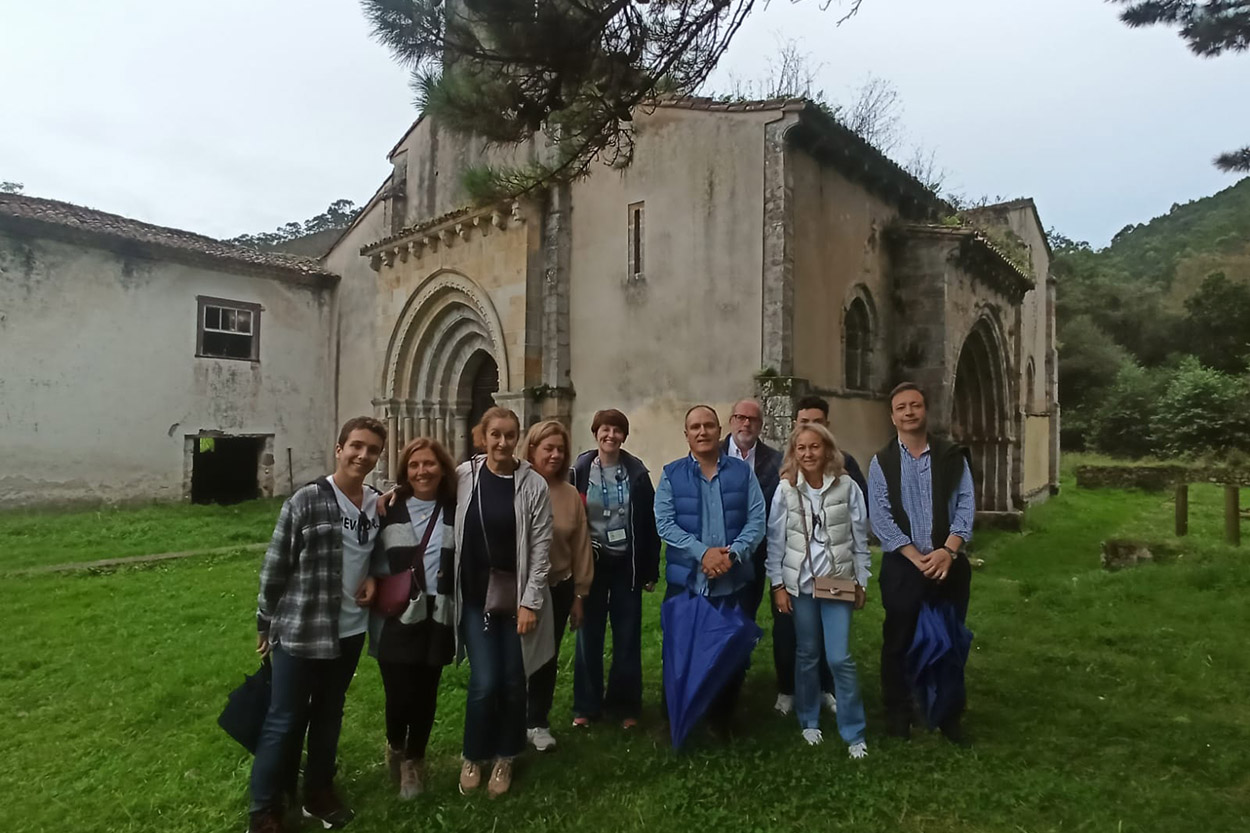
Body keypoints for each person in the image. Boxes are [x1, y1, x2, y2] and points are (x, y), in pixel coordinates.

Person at [247, 416, 386, 833]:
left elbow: (378, 552)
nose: (363, 455)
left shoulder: (377, 503)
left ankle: (318, 793)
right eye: (356, 446)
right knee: (284, 717)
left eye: (373, 450)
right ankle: (265, 809)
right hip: (302, 628)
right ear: (339, 448)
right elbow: (276, 565)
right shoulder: (308, 499)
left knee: (329, 714)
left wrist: (376, 577)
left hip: (350, 630)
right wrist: (264, 620)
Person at [452, 406, 554, 796]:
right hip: (476, 599)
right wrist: (387, 500)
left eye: (509, 435)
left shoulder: (533, 484)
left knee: (513, 681)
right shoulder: (465, 477)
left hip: (516, 600)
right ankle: (473, 755)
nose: (502, 442)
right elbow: (423, 489)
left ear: (518, 438)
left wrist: (530, 603)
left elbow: (541, 547)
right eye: (495, 434)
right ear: (483, 436)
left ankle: (505, 757)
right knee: (484, 682)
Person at [868, 382, 976, 744]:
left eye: (915, 405)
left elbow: (965, 504)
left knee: (949, 638)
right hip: (904, 566)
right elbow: (880, 517)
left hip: (949, 563)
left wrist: (948, 550)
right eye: (901, 407)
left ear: (925, 410)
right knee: (897, 641)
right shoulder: (882, 461)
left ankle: (948, 714)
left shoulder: (951, 456)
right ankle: (899, 712)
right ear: (893, 416)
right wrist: (916, 556)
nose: (909, 412)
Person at [654, 404, 766, 734]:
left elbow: (757, 520)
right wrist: (703, 554)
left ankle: (722, 717)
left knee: (730, 652)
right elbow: (664, 523)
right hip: (688, 580)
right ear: (686, 435)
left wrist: (732, 556)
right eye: (695, 427)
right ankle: (676, 715)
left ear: (720, 431)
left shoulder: (742, 473)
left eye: (708, 426)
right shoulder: (672, 474)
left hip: (732, 580)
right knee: (681, 652)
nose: (702, 432)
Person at [765, 423, 870, 758]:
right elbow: (775, 542)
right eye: (801, 448)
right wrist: (778, 585)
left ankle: (854, 731)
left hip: (838, 582)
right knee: (807, 654)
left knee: (840, 657)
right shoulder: (785, 490)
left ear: (827, 450)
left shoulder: (847, 486)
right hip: (800, 585)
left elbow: (860, 539)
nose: (808, 454)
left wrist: (862, 580)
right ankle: (809, 719)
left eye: (814, 447)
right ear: (794, 454)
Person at [367, 437, 457, 799]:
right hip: (397, 614)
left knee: (426, 693)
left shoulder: (455, 506)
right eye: (415, 465)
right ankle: (394, 742)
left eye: (430, 464)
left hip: (439, 613)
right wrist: (371, 579)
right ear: (405, 471)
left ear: (442, 468)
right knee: (399, 694)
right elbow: (368, 551)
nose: (423, 471)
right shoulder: (388, 508)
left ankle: (413, 761)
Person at [570, 409, 661, 729]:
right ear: (596, 433)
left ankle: (626, 706)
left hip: (626, 566)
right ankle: (586, 704)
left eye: (617, 431)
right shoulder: (580, 470)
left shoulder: (636, 473)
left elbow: (648, 523)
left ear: (624, 436)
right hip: (591, 565)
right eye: (605, 430)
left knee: (627, 637)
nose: (611, 435)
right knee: (588, 637)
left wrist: (650, 569)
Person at [523, 419, 593, 751]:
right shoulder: (515, 487)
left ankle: (537, 722)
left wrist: (581, 594)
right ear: (532, 450)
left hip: (558, 586)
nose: (554, 455)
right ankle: (508, 718)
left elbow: (580, 546)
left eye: (560, 449)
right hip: (519, 589)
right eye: (547, 448)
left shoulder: (569, 495)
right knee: (513, 657)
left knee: (545, 658)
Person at [722, 398, 782, 622]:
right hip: (717, 546)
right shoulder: (712, 453)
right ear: (731, 421)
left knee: (746, 613)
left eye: (753, 419)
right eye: (741, 418)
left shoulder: (777, 461)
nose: (746, 424)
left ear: (761, 425)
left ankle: (742, 652)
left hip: (756, 550)